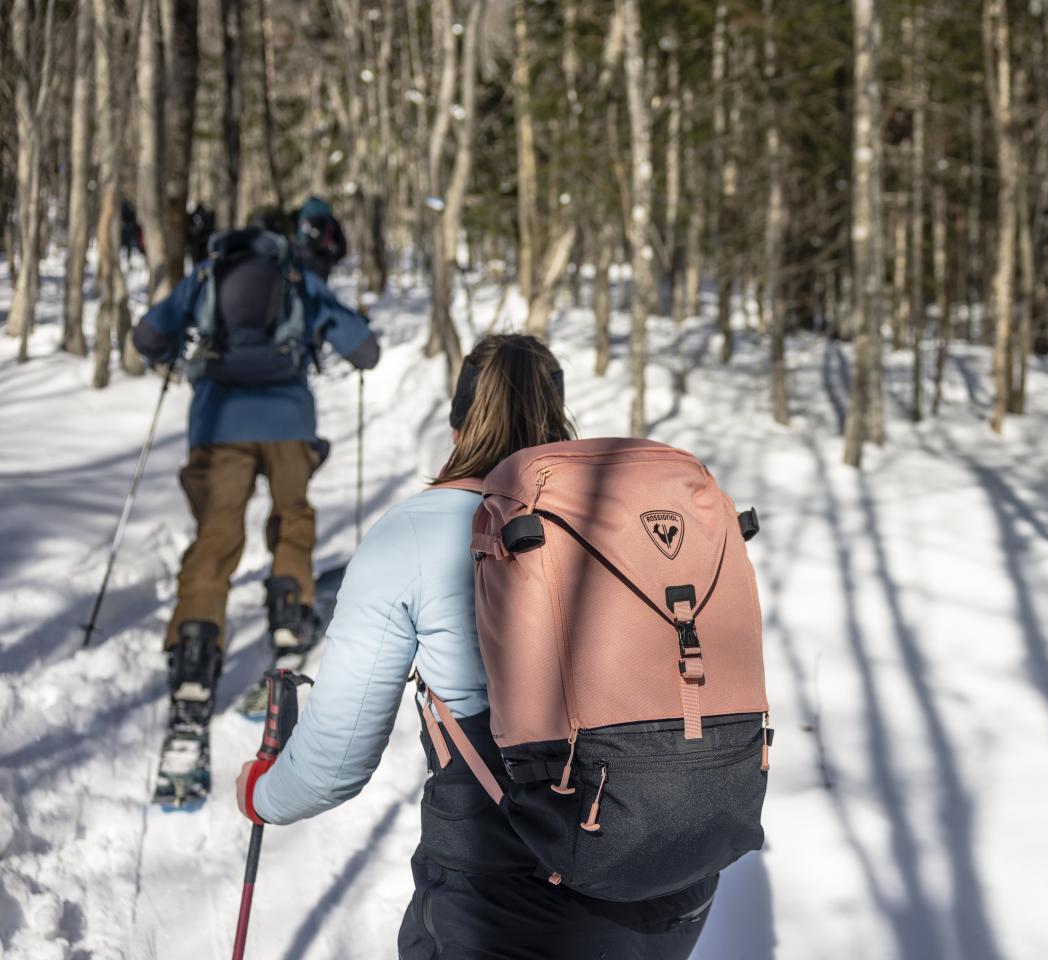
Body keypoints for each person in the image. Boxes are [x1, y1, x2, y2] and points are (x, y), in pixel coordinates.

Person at [236, 335, 717, 959]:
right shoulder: (623, 520)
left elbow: (334, 764)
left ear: (459, 422)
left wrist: (262, 793)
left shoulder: (418, 530)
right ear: (559, 419)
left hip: (506, 903)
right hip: (671, 887)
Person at [130, 214, 380, 736]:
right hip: (287, 419)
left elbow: (147, 335)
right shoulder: (296, 277)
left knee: (216, 536)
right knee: (292, 516)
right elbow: (364, 350)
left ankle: (196, 656)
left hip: (218, 419)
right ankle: (290, 617)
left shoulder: (206, 275)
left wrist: (175, 351)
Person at [293, 195, 348, 281]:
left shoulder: (304, 217)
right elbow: (342, 244)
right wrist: (334, 258)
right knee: (320, 287)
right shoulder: (328, 217)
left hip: (305, 258)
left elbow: (298, 239)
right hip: (323, 258)